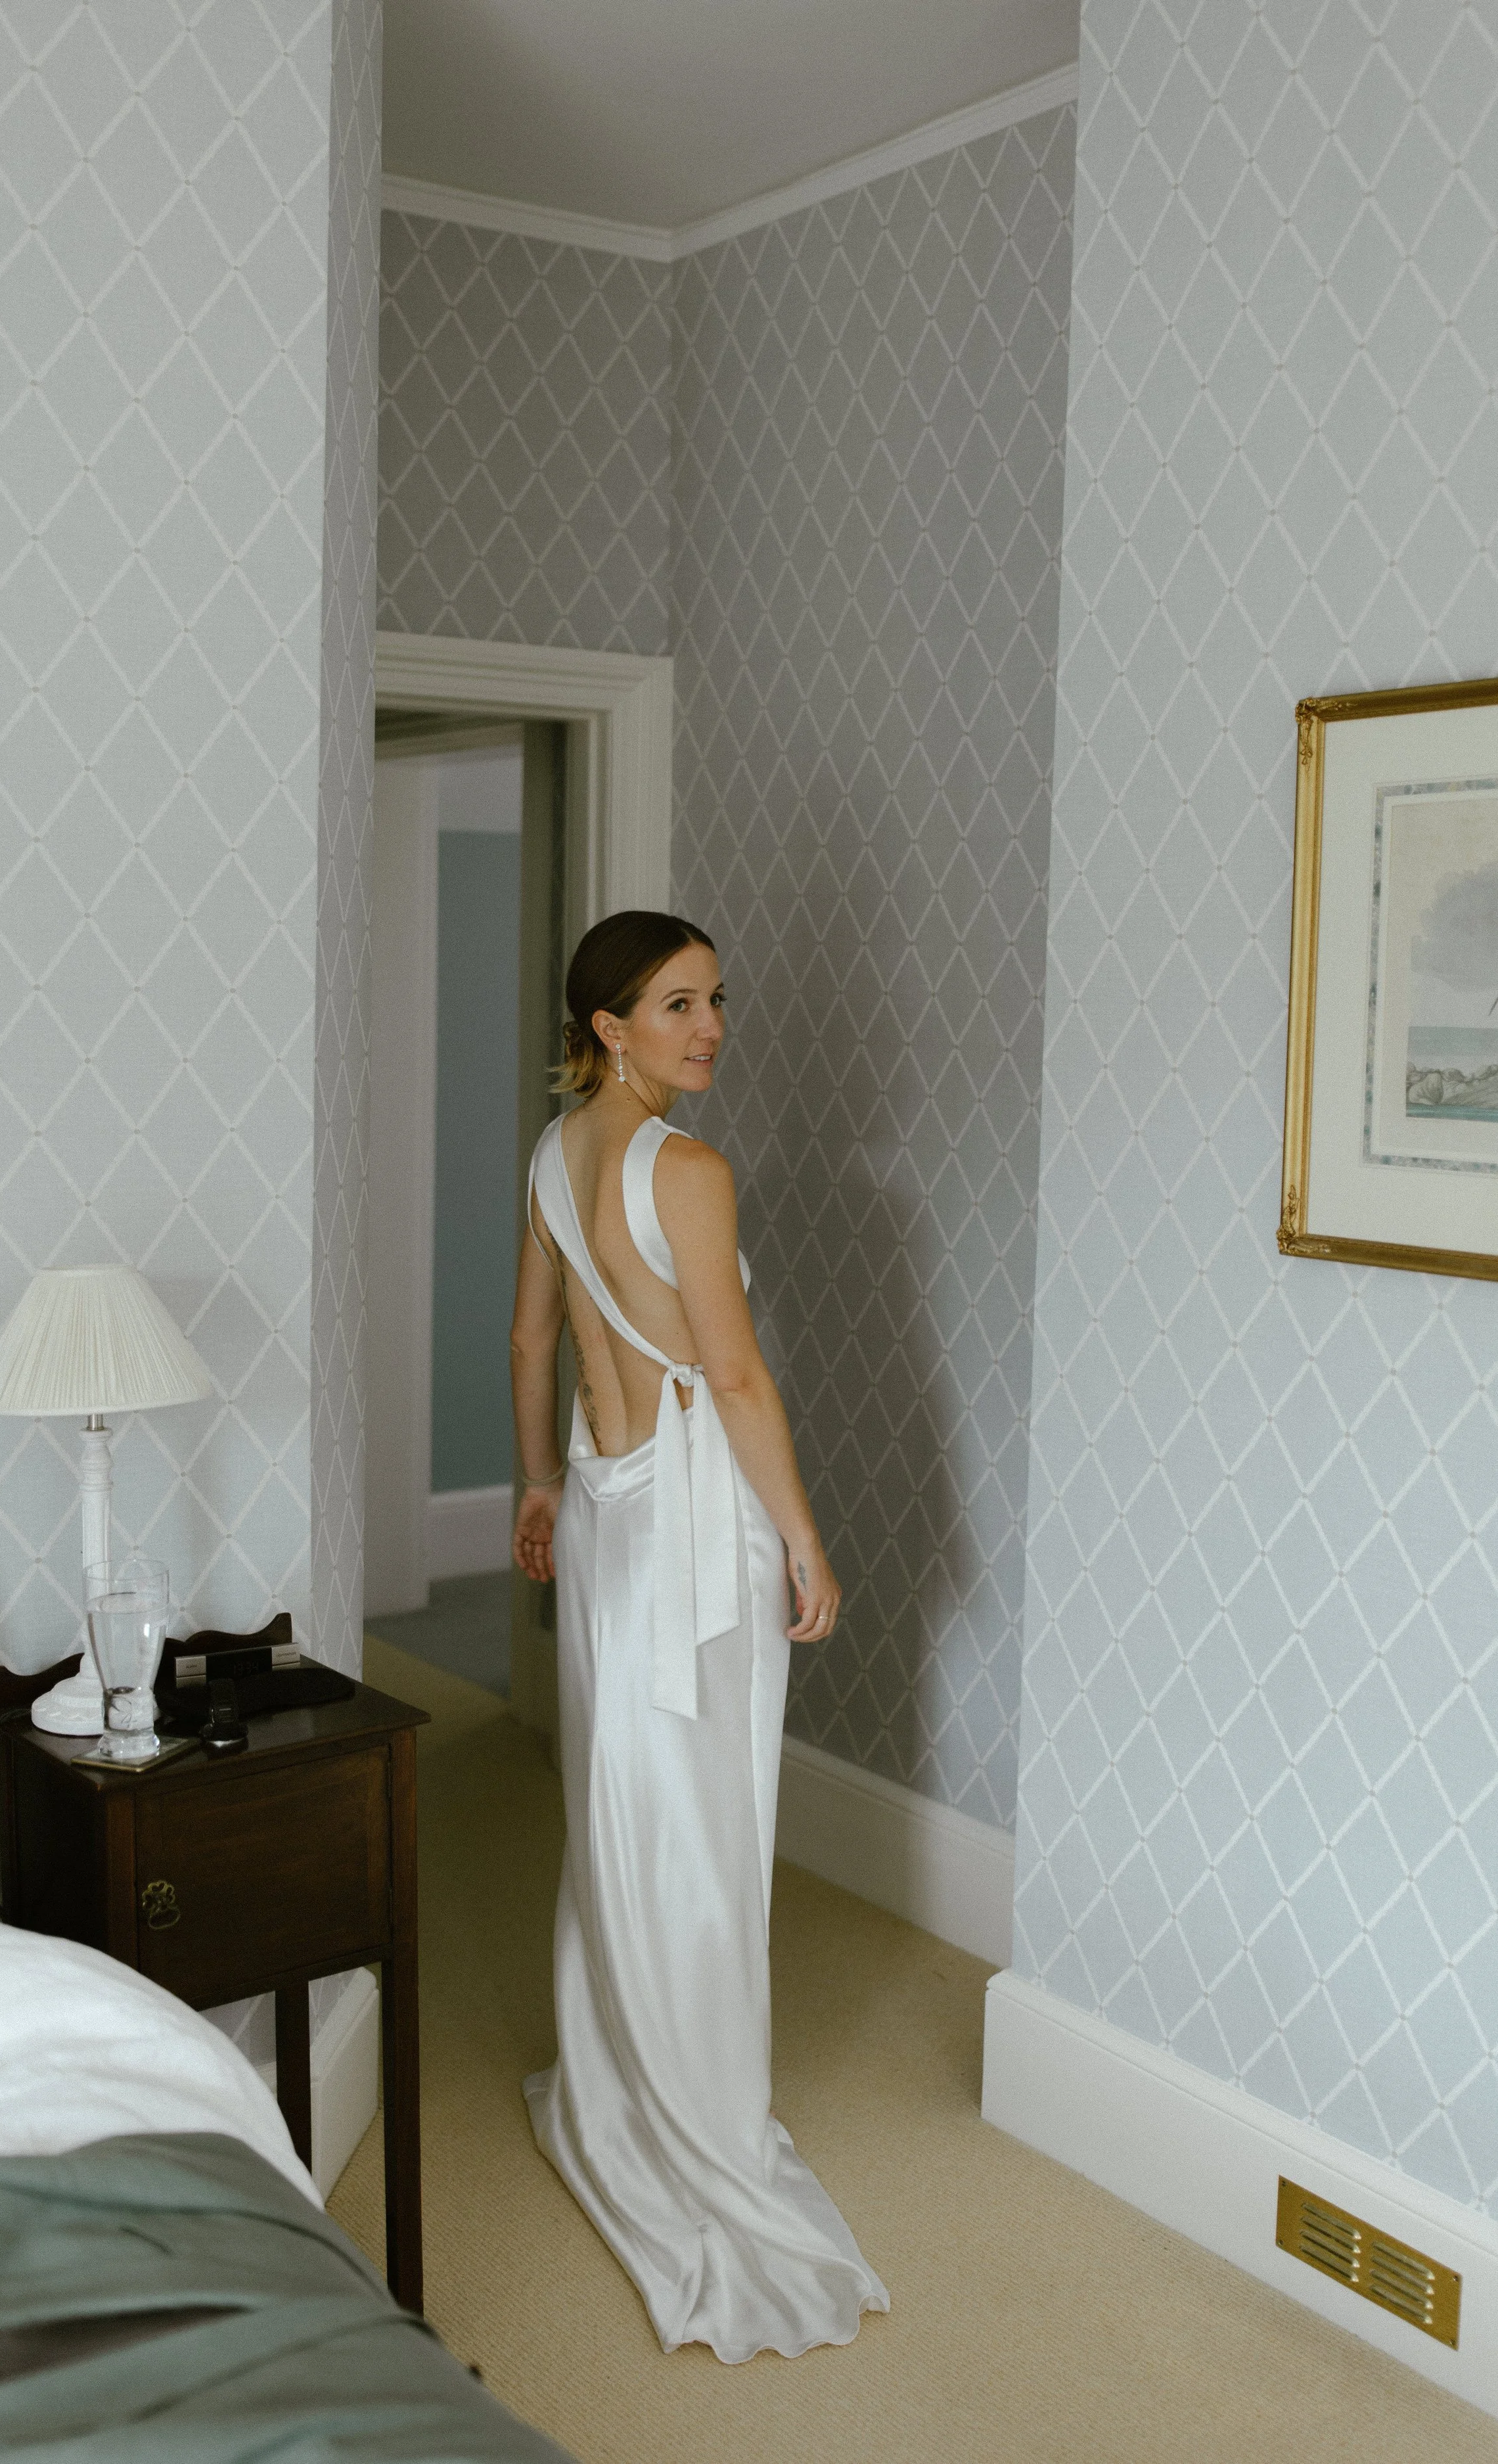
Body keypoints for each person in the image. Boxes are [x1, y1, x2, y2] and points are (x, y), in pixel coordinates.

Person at [509, 909, 890, 2364]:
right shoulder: (688, 1168)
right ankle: (698, 2118)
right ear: (607, 1027)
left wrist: (539, 1480)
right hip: (688, 1513)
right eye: (674, 1005)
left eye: (715, 999)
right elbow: (730, 1373)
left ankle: (611, 2076)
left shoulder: (553, 1159)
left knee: (625, 1790)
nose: (709, 1027)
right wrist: (799, 1532)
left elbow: (531, 1338)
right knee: (708, 1813)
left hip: (605, 1505)